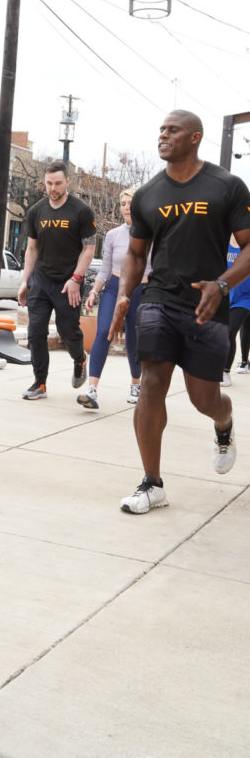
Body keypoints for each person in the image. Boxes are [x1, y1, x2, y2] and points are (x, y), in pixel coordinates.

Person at [110, 110, 250, 515]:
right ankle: (152, 483)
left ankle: (223, 423)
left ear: (195, 137)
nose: (163, 135)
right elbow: (136, 254)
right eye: (161, 130)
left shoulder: (227, 186)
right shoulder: (148, 194)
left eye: (172, 130)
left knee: (203, 398)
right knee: (151, 381)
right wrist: (124, 295)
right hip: (160, 298)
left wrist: (222, 284)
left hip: (209, 305)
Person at [18, 160, 96, 400]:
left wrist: (76, 279)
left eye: (58, 183)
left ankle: (80, 359)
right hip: (41, 279)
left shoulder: (81, 210)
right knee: (36, 331)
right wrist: (25, 280)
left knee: (67, 329)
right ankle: (39, 382)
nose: (53, 188)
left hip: (68, 281)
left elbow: (89, 249)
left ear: (67, 182)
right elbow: (32, 249)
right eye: (49, 183)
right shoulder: (36, 211)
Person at [77, 187, 150, 409]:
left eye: (130, 203)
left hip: (142, 288)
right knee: (103, 332)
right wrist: (93, 291)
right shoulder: (112, 235)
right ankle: (91, 389)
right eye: (122, 203)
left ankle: (136, 384)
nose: (126, 207)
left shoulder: (151, 233)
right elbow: (105, 270)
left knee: (134, 338)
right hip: (115, 287)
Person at [220, 235, 250, 387]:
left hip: (246, 297)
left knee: (230, 331)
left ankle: (225, 372)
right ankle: (244, 361)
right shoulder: (224, 242)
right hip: (228, 296)